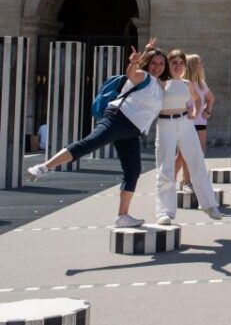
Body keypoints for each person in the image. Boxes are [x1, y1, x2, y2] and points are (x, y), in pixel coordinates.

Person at [26, 39, 166, 227]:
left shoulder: (159, 85)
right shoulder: (144, 76)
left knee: (133, 171)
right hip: (118, 119)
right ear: (148, 64)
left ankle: (122, 216)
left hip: (133, 132)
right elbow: (132, 74)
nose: (158, 67)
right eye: (154, 63)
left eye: (161, 63)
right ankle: (43, 167)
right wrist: (134, 61)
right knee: (90, 143)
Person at [155, 49, 222, 224]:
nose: (178, 66)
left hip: (185, 123)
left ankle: (209, 204)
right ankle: (165, 212)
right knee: (165, 168)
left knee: (197, 161)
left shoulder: (187, 83)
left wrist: (194, 112)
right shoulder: (161, 83)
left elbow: (198, 99)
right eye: (174, 63)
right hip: (165, 124)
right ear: (168, 65)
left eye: (181, 63)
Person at [174, 53, 215, 192]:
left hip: (200, 121)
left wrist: (207, 111)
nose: (202, 65)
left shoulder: (202, 83)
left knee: (200, 149)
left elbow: (211, 98)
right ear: (192, 65)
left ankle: (187, 180)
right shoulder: (182, 83)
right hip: (186, 121)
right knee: (182, 155)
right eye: (199, 63)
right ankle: (179, 182)